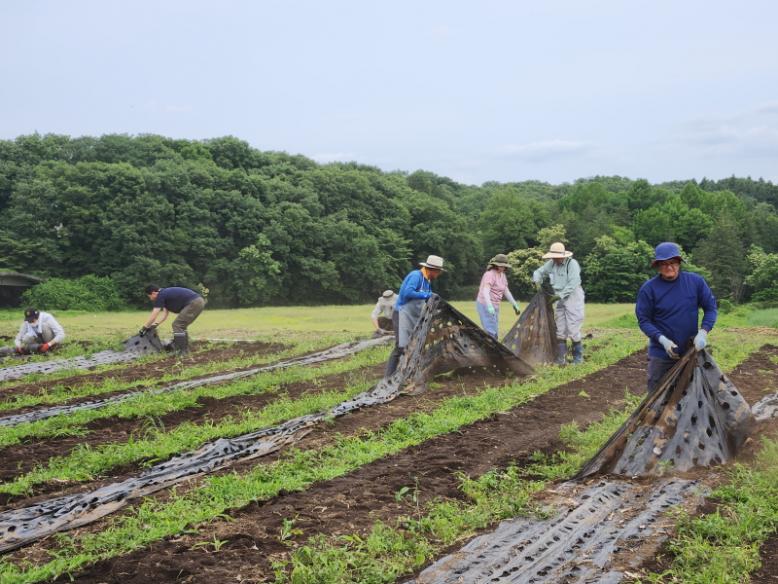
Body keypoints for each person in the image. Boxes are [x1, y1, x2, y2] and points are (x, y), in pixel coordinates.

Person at [636, 242, 717, 393]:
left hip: (691, 351)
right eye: (664, 264)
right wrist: (662, 340)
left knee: (692, 397)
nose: (669, 267)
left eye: (672, 262)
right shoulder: (649, 289)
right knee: (657, 398)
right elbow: (644, 320)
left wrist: (703, 332)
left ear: (679, 263)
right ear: (658, 266)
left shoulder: (695, 282)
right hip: (661, 354)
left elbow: (711, 308)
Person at [384, 255, 445, 377]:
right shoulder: (416, 276)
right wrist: (426, 295)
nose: (438, 275)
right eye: (438, 272)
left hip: (413, 317)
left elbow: (427, 299)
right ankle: (389, 377)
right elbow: (407, 293)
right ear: (432, 269)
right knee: (400, 346)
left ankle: (404, 374)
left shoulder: (427, 282)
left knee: (412, 345)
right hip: (401, 314)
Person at [533, 242, 585, 365]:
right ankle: (561, 359)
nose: (554, 259)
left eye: (556, 257)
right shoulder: (551, 264)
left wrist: (559, 296)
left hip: (573, 296)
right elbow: (538, 272)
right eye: (553, 257)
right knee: (560, 328)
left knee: (573, 328)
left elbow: (574, 282)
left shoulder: (572, 264)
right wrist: (537, 282)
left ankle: (578, 358)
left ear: (563, 255)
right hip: (558, 297)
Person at [142, 285, 206, 355]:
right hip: (197, 301)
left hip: (194, 302)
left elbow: (154, 314)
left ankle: (182, 351)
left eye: (149, 296)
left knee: (177, 325)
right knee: (181, 326)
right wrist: (154, 325)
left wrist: (145, 327)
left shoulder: (160, 295)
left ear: (153, 293)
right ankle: (183, 349)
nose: (151, 299)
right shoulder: (164, 294)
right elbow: (164, 314)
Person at [476, 253, 521, 339]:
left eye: (504, 266)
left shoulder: (502, 275)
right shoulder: (490, 274)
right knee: (490, 330)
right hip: (485, 304)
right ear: (495, 265)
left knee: (495, 329)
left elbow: (506, 291)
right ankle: (491, 349)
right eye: (501, 266)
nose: (502, 268)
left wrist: (514, 304)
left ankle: (493, 347)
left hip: (495, 305)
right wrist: (489, 306)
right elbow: (485, 291)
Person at [0, 308, 66, 356]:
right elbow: (18, 337)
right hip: (39, 341)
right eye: (29, 321)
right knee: (26, 338)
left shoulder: (47, 317)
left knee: (44, 327)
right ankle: (39, 347)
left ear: (37, 316)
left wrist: (49, 344)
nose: (30, 322)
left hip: (49, 339)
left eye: (32, 320)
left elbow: (61, 334)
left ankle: (51, 347)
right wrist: (18, 346)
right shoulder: (27, 322)